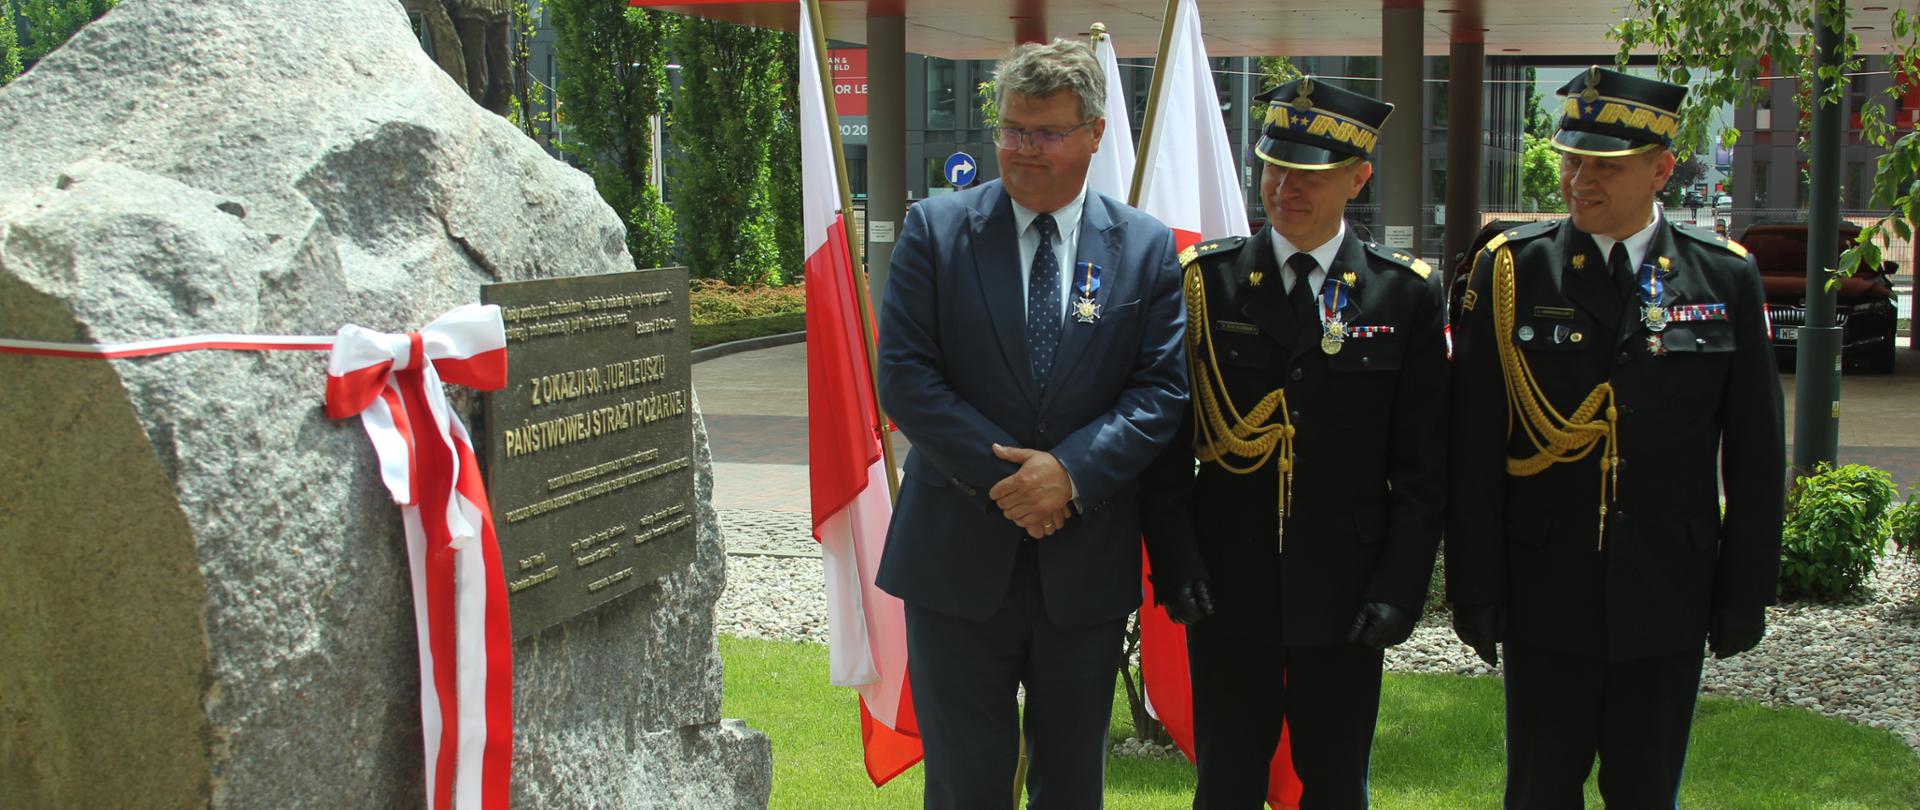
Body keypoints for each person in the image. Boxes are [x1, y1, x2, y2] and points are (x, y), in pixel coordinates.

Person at [1446, 66, 1785, 806]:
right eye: (1572, 159)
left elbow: (1756, 454)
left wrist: (1746, 589)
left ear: (1663, 169)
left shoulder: (1722, 278)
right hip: (1544, 589)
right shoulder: (1511, 272)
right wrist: (1476, 585)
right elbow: (1473, 448)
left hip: (1667, 587)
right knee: (1539, 790)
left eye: (1606, 166)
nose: (1579, 180)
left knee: (1645, 791)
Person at [874, 38, 1188, 809]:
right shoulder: (937, 231)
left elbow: (1158, 392)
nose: (1023, 150)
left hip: (1082, 567)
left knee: (1072, 784)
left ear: (1094, 134)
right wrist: (1018, 482)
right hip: (954, 560)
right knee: (965, 785)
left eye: (1046, 133)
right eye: (1012, 129)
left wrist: (1070, 476)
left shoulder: (1144, 249)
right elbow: (907, 379)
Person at [1138, 76, 1448, 808]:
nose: (1285, 188)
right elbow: (1165, 449)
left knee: (1337, 784)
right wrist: (1176, 563)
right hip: (1226, 586)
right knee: (1226, 782)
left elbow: (1423, 470)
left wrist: (1399, 588)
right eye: (1274, 167)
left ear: (1358, 176)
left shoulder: (1401, 295)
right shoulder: (1206, 285)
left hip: (1346, 592)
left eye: (1308, 174)